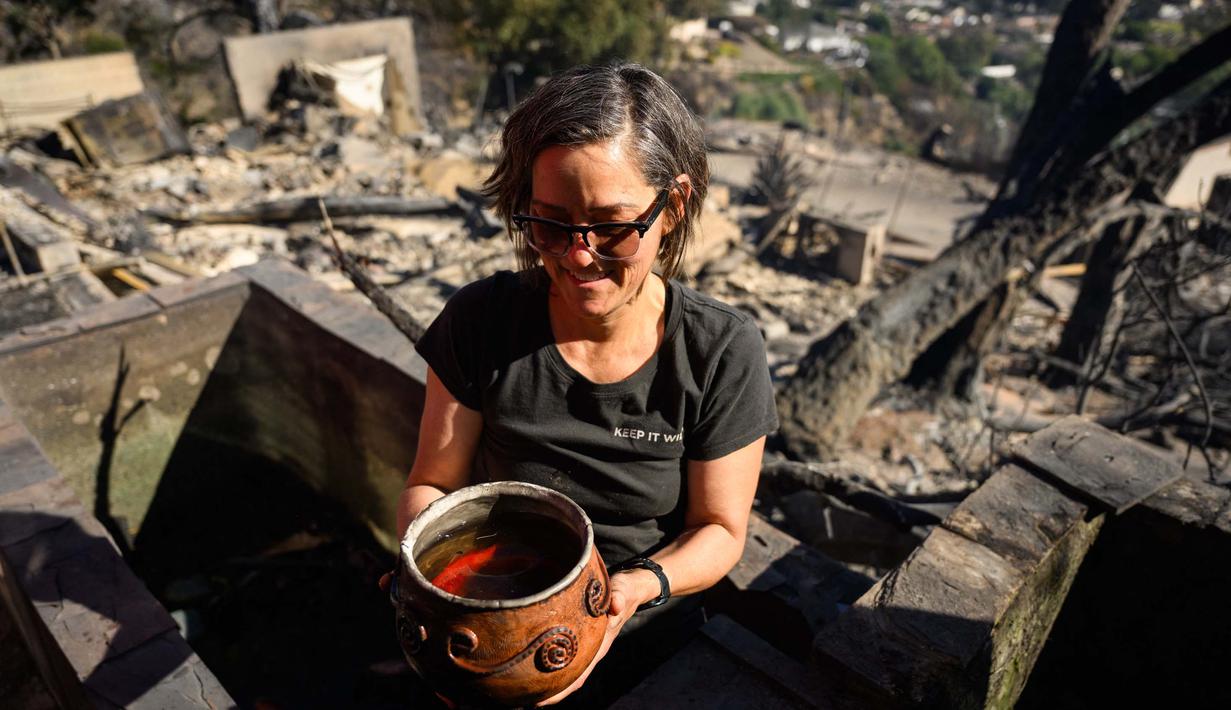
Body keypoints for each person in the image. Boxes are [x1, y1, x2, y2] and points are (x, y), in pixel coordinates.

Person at [397, 63, 778, 705]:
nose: (578, 255)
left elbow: (720, 529)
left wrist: (633, 589)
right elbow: (432, 483)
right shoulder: (481, 323)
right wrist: (424, 577)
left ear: (673, 207)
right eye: (549, 224)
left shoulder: (720, 352)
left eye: (611, 227)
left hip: (647, 638)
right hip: (489, 619)